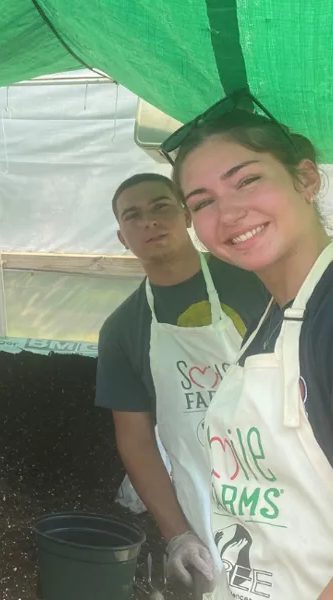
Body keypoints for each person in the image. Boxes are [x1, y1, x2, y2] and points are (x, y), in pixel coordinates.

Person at [170, 91, 333, 600]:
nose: (231, 211)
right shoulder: (276, 314)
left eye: (247, 180)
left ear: (307, 179)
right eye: (202, 202)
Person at [95, 172, 270, 590]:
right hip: (209, 505)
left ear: (186, 215)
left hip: (288, 481)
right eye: (133, 216)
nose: (149, 222)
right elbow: (135, 439)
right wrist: (177, 534)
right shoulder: (122, 328)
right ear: (123, 238)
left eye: (160, 207)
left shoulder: (256, 282)